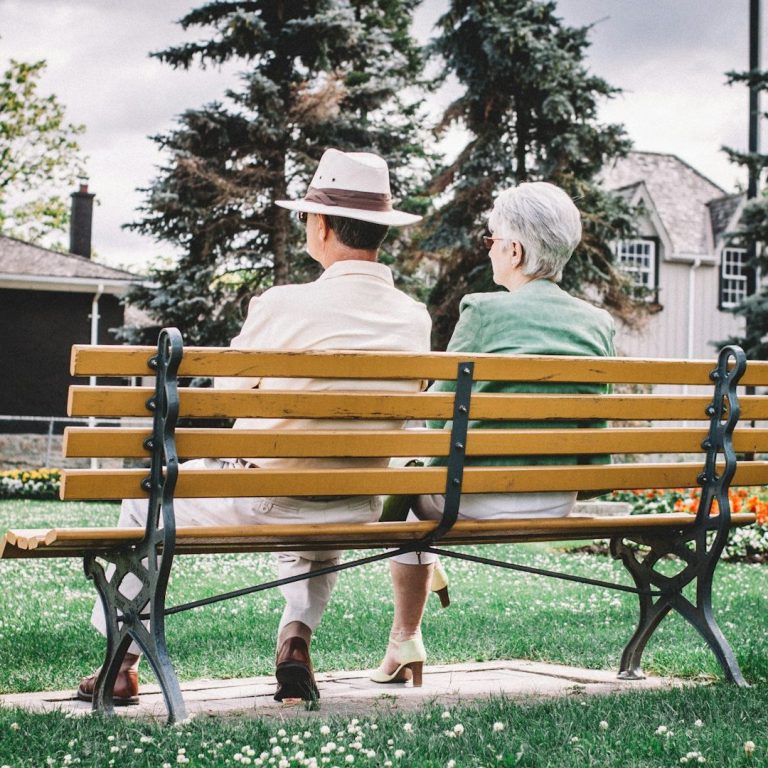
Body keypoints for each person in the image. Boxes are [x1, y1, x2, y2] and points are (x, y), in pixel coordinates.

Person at [77, 148, 432, 705]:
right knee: (320, 498)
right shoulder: (414, 317)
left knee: (142, 502)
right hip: (355, 502)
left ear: (320, 225)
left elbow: (230, 394)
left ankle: (121, 661)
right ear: (380, 231)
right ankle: (295, 639)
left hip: (268, 498)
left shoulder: (284, 303)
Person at [370, 181, 615, 687]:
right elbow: (595, 432)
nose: (491, 248)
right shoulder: (597, 323)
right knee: (417, 482)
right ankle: (422, 572)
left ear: (515, 249)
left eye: (492, 239)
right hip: (554, 502)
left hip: (467, 502)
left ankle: (405, 632)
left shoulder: (482, 311)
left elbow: (436, 424)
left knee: (408, 486)